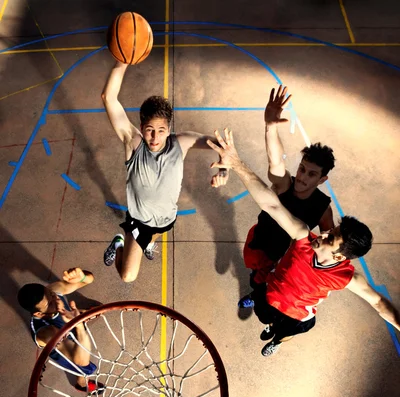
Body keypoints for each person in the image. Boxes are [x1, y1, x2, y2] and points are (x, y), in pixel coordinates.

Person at [207, 129, 400, 356]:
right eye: (331, 230)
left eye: (330, 237)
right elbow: (271, 205)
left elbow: (379, 303)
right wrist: (237, 164)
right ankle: (268, 321)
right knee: (264, 314)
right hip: (269, 296)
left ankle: (278, 340)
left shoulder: (346, 277)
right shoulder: (302, 238)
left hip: (297, 316)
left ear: (339, 256)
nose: (323, 234)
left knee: (285, 332)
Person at [101, 61, 229, 282]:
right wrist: (122, 62)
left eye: (161, 131)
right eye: (149, 130)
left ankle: (149, 243)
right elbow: (108, 98)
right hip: (139, 221)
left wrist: (224, 169)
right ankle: (119, 243)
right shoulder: (133, 142)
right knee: (127, 276)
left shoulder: (181, 142)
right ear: (141, 128)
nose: (155, 137)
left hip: (166, 216)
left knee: (157, 232)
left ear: (169, 129)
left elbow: (221, 144)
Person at [240, 85, 336, 308]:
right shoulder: (285, 185)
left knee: (272, 292)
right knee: (256, 279)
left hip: (282, 258)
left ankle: (260, 298)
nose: (302, 177)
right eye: (302, 168)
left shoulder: (323, 208)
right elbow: (276, 162)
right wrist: (270, 127)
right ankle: (254, 294)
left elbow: (329, 245)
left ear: (322, 180)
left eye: (312, 174)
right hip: (261, 246)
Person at [17, 267, 103, 392]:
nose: (57, 301)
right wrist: (78, 324)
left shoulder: (53, 291)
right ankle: (81, 384)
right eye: (50, 304)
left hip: (69, 325)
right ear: (38, 314)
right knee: (84, 369)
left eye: (51, 295)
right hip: (61, 348)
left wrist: (82, 276)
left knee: (95, 312)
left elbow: (89, 279)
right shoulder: (46, 333)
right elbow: (81, 361)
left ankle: (78, 317)